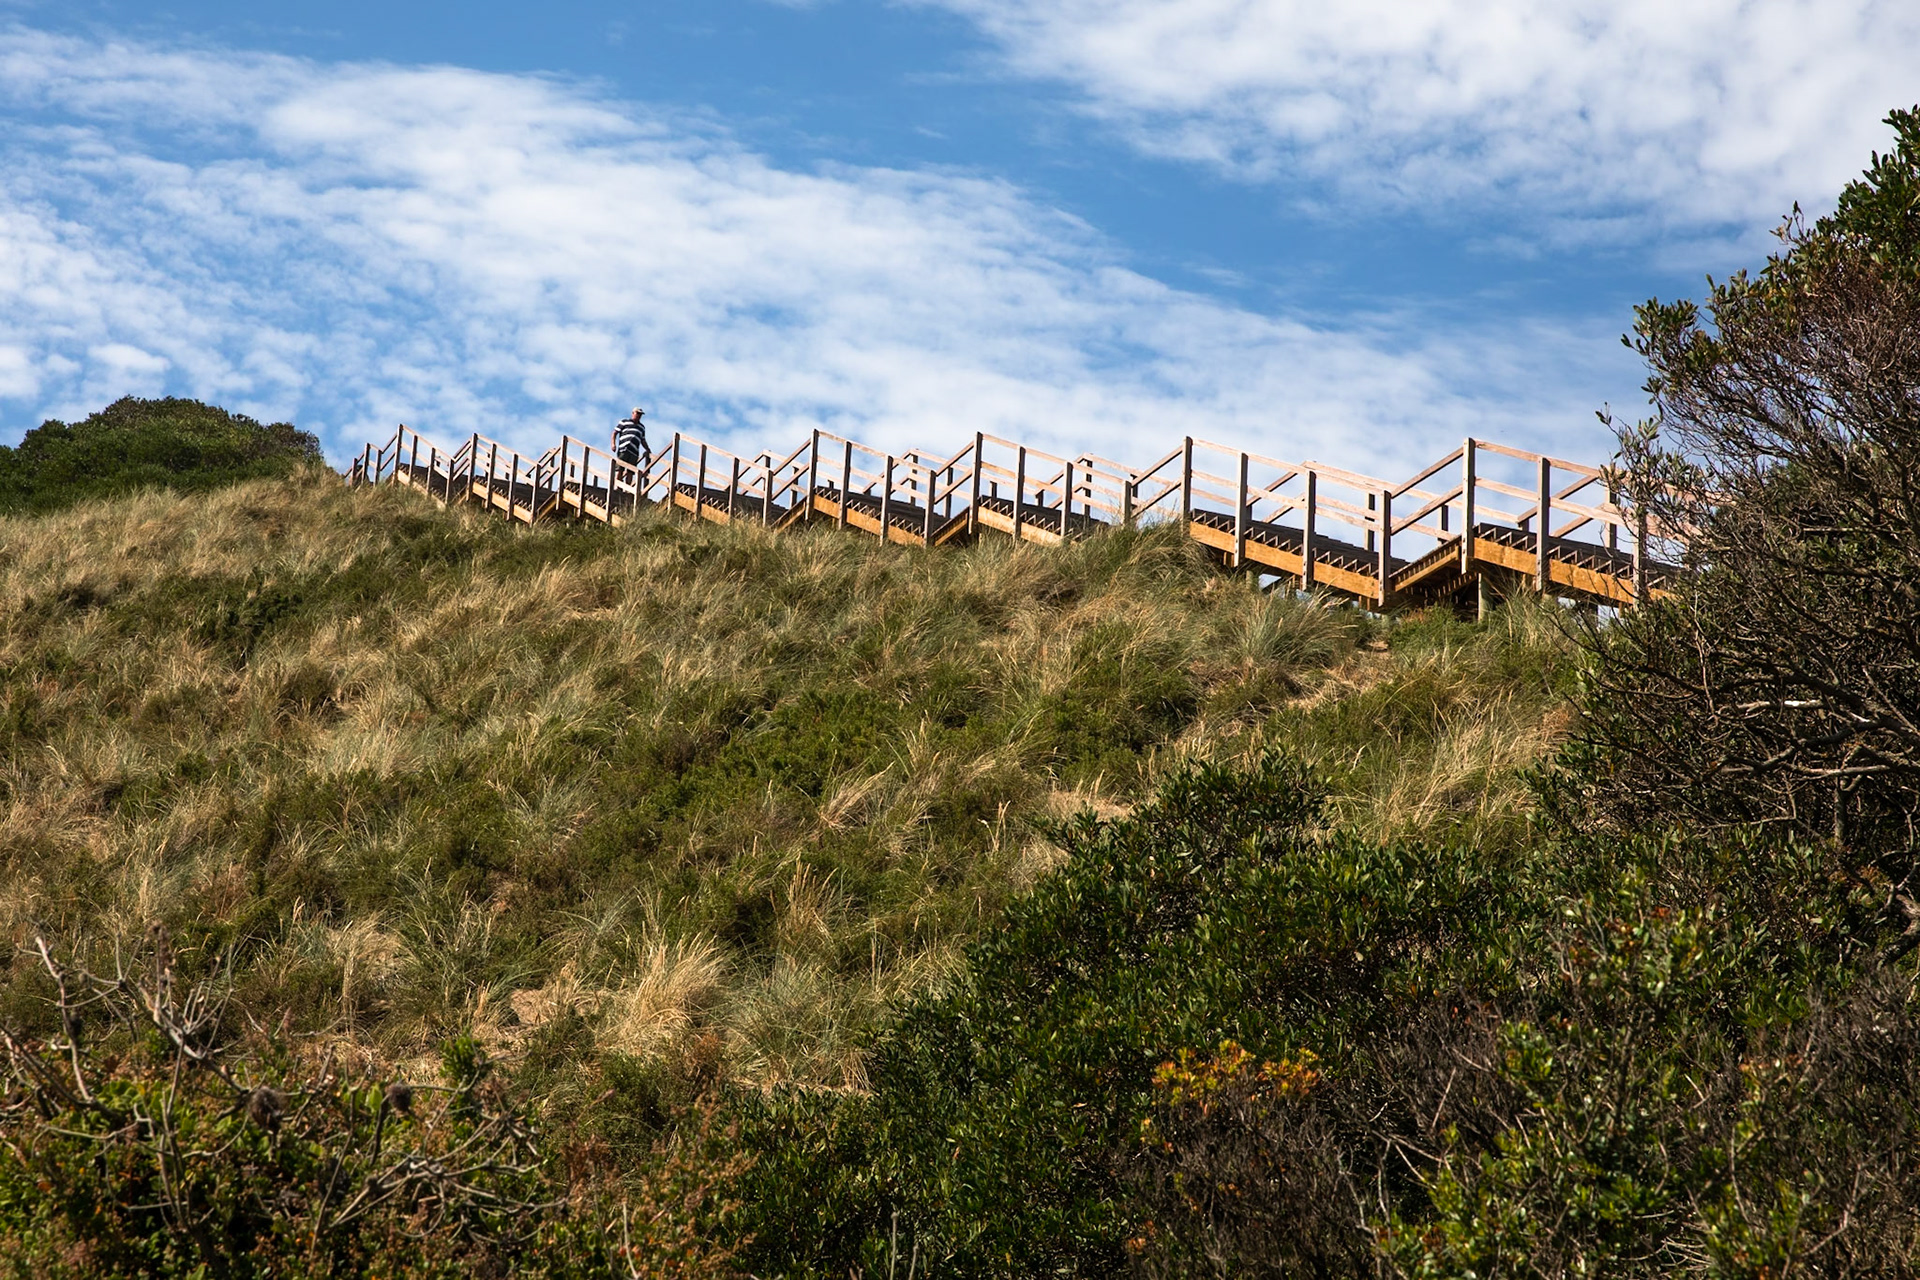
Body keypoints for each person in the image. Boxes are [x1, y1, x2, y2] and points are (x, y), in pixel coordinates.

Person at [613, 407, 650, 472]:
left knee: (630, 471)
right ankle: (618, 481)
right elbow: (614, 433)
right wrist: (613, 444)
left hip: (634, 452)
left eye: (640, 414)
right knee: (620, 469)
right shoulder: (624, 422)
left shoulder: (642, 427)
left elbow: (643, 440)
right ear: (633, 413)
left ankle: (627, 482)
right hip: (624, 448)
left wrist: (647, 449)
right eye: (637, 413)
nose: (639, 415)